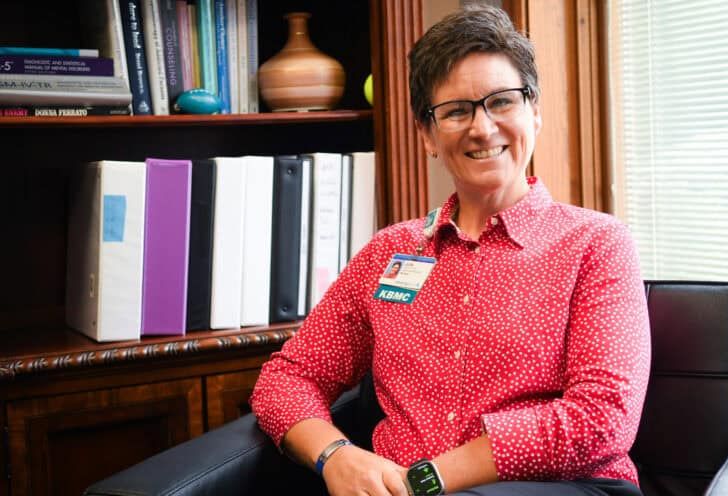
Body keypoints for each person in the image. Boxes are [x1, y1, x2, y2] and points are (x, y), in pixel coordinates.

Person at [251, 5, 650, 496]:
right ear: (427, 135)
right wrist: (337, 457)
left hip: (561, 486)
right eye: (457, 111)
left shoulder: (597, 244)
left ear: (535, 111)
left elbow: (602, 417)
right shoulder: (388, 253)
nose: (482, 128)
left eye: (502, 101)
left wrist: (427, 480)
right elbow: (288, 378)